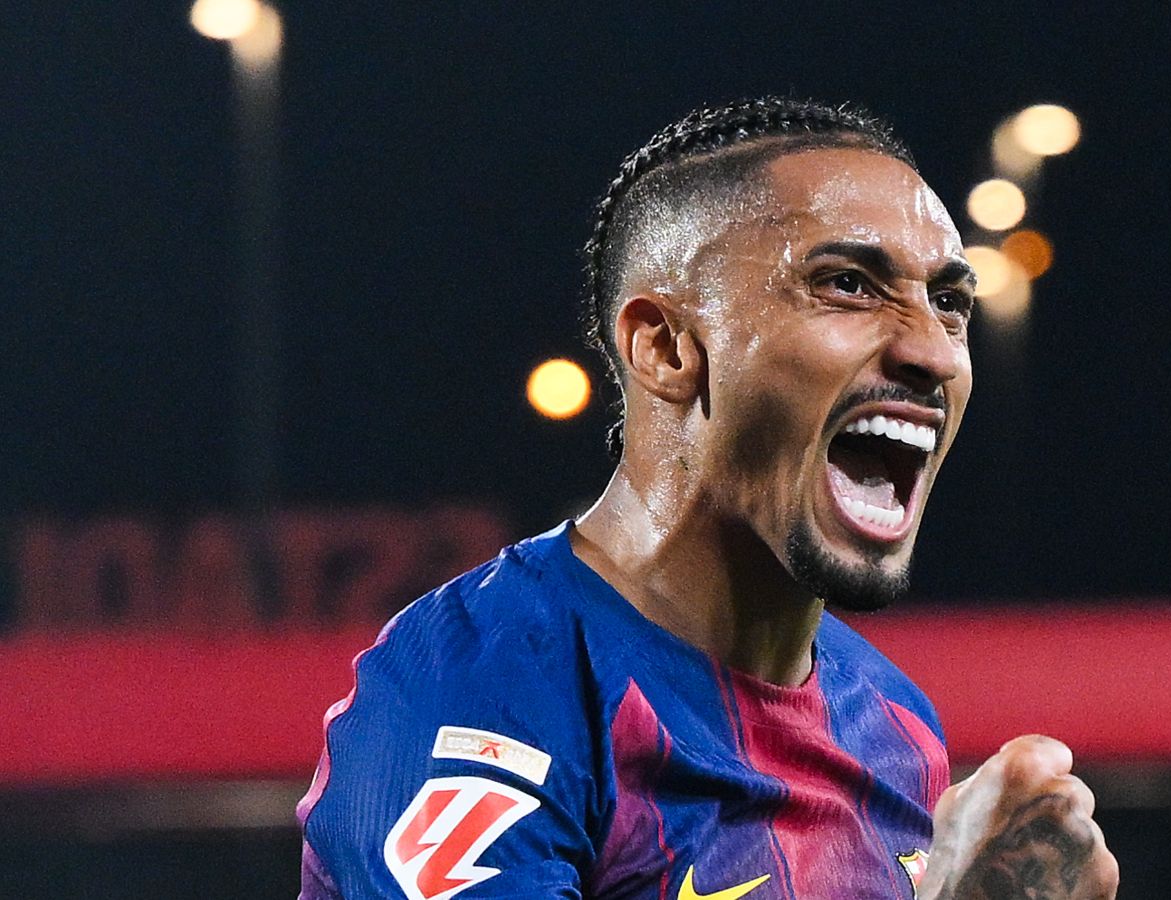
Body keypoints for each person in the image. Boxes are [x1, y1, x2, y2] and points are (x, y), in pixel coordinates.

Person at [297, 97, 1118, 900]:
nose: (932, 352)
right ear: (664, 348)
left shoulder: (895, 725)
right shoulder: (480, 689)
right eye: (849, 285)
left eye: (950, 303)